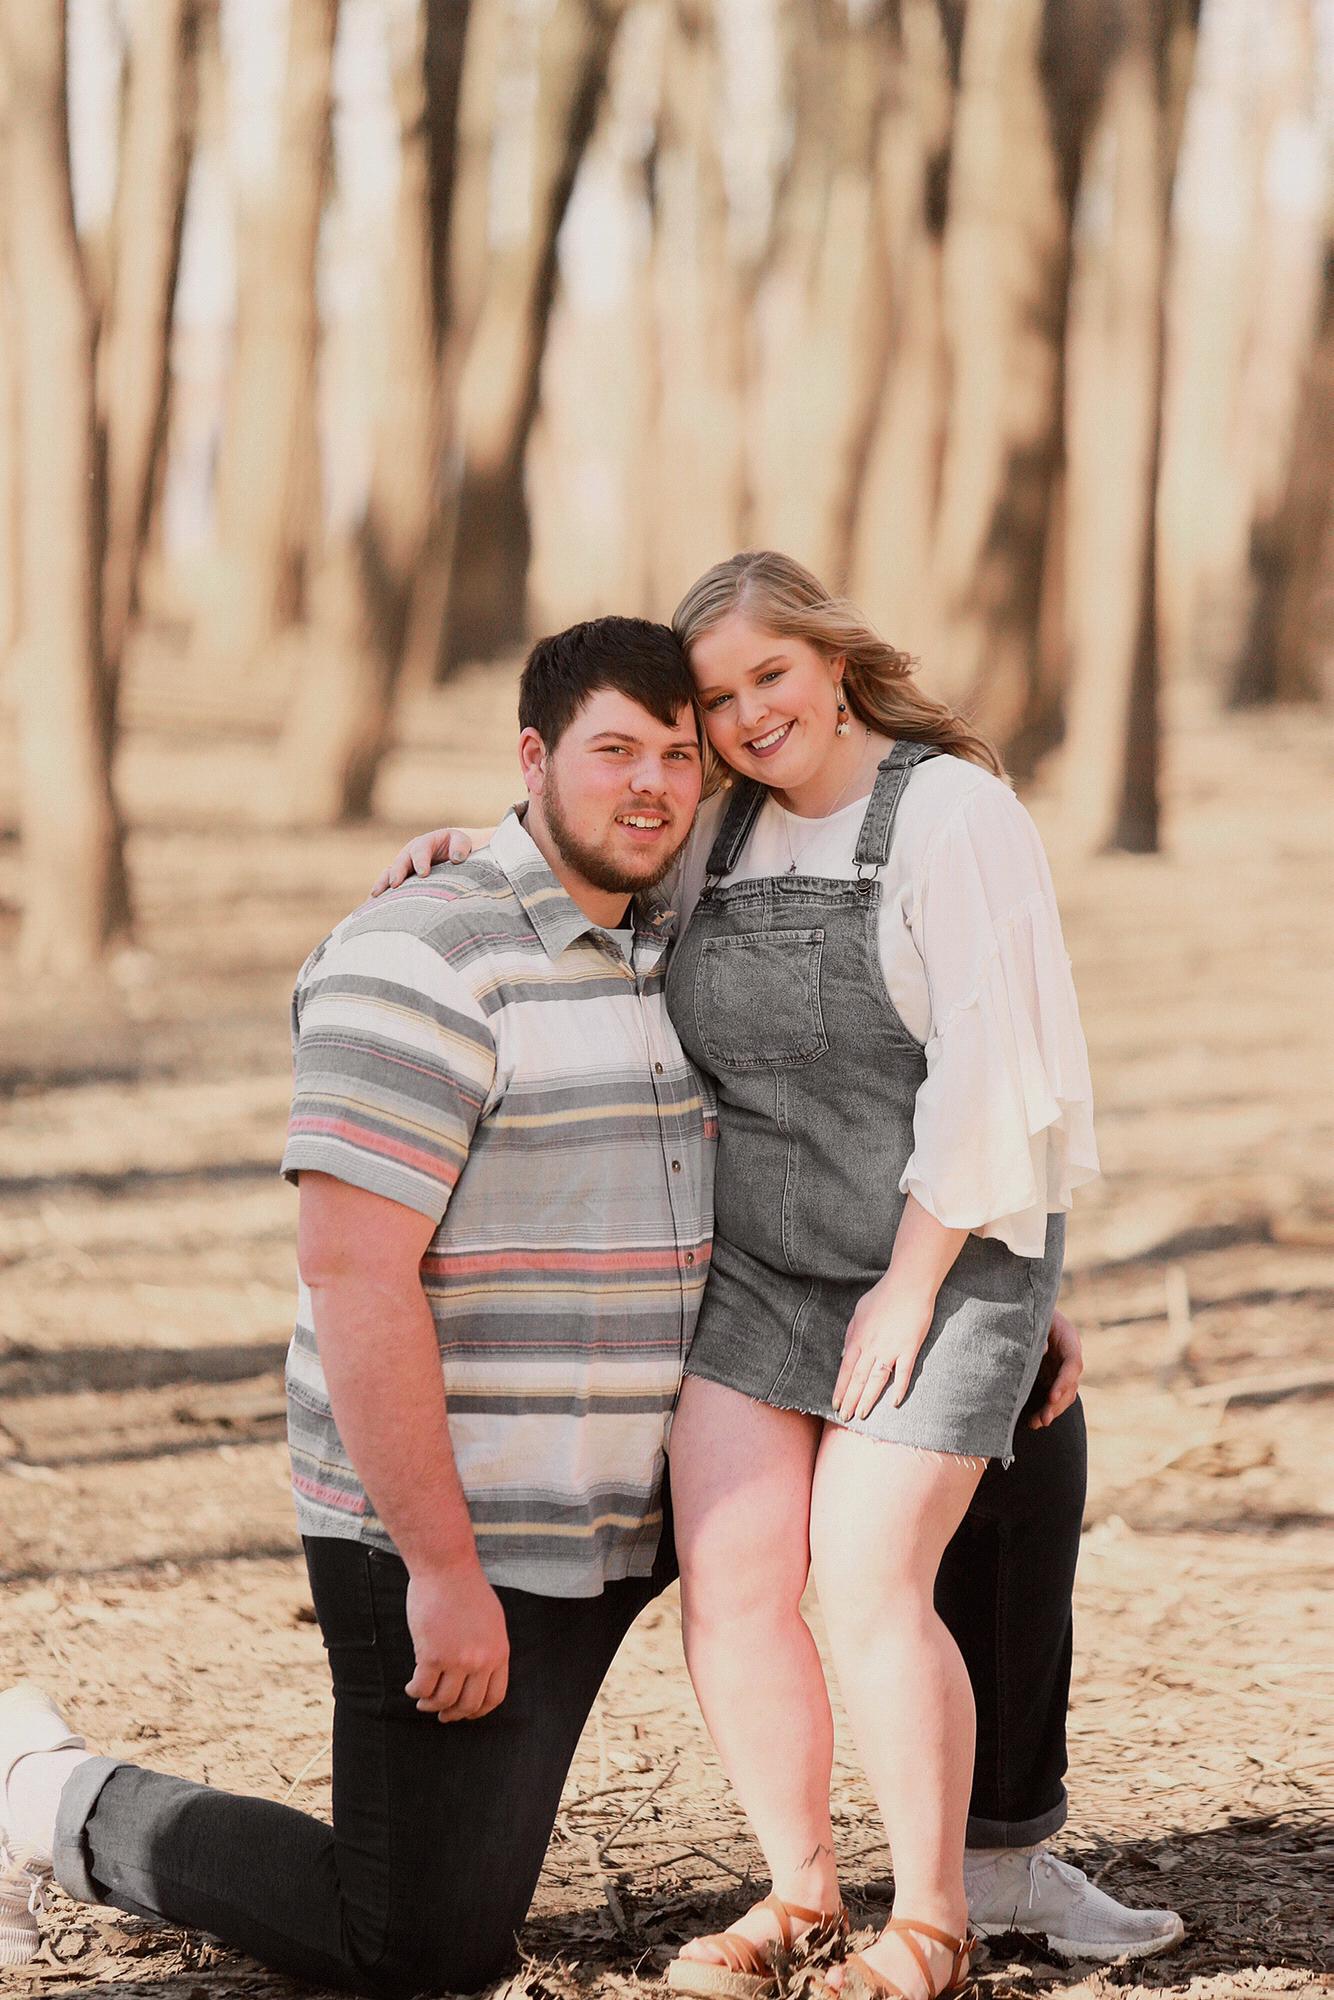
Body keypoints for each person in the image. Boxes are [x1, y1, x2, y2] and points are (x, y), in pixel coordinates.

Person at [380, 555, 1184, 1990]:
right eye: (716, 699)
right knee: (734, 1575)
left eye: (771, 675)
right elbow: (609, 867)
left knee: (869, 1576)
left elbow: (992, 1077)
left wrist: (920, 1291)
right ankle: (802, 1893)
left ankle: (930, 1920)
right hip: (760, 1260)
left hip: (940, 1258)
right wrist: (486, 850)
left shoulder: (953, 814)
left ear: (832, 661)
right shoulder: (725, 827)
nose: (748, 717)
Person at [0, 619, 713, 1993]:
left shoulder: (676, 940)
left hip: (652, 1499)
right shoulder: (417, 960)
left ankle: (996, 1854)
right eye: (615, 750)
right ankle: (42, 1790)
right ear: (532, 758)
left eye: (679, 757)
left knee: (1000, 1445)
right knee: (418, 1946)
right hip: (469, 1528)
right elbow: (354, 1278)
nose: (651, 785)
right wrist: (440, 1571)